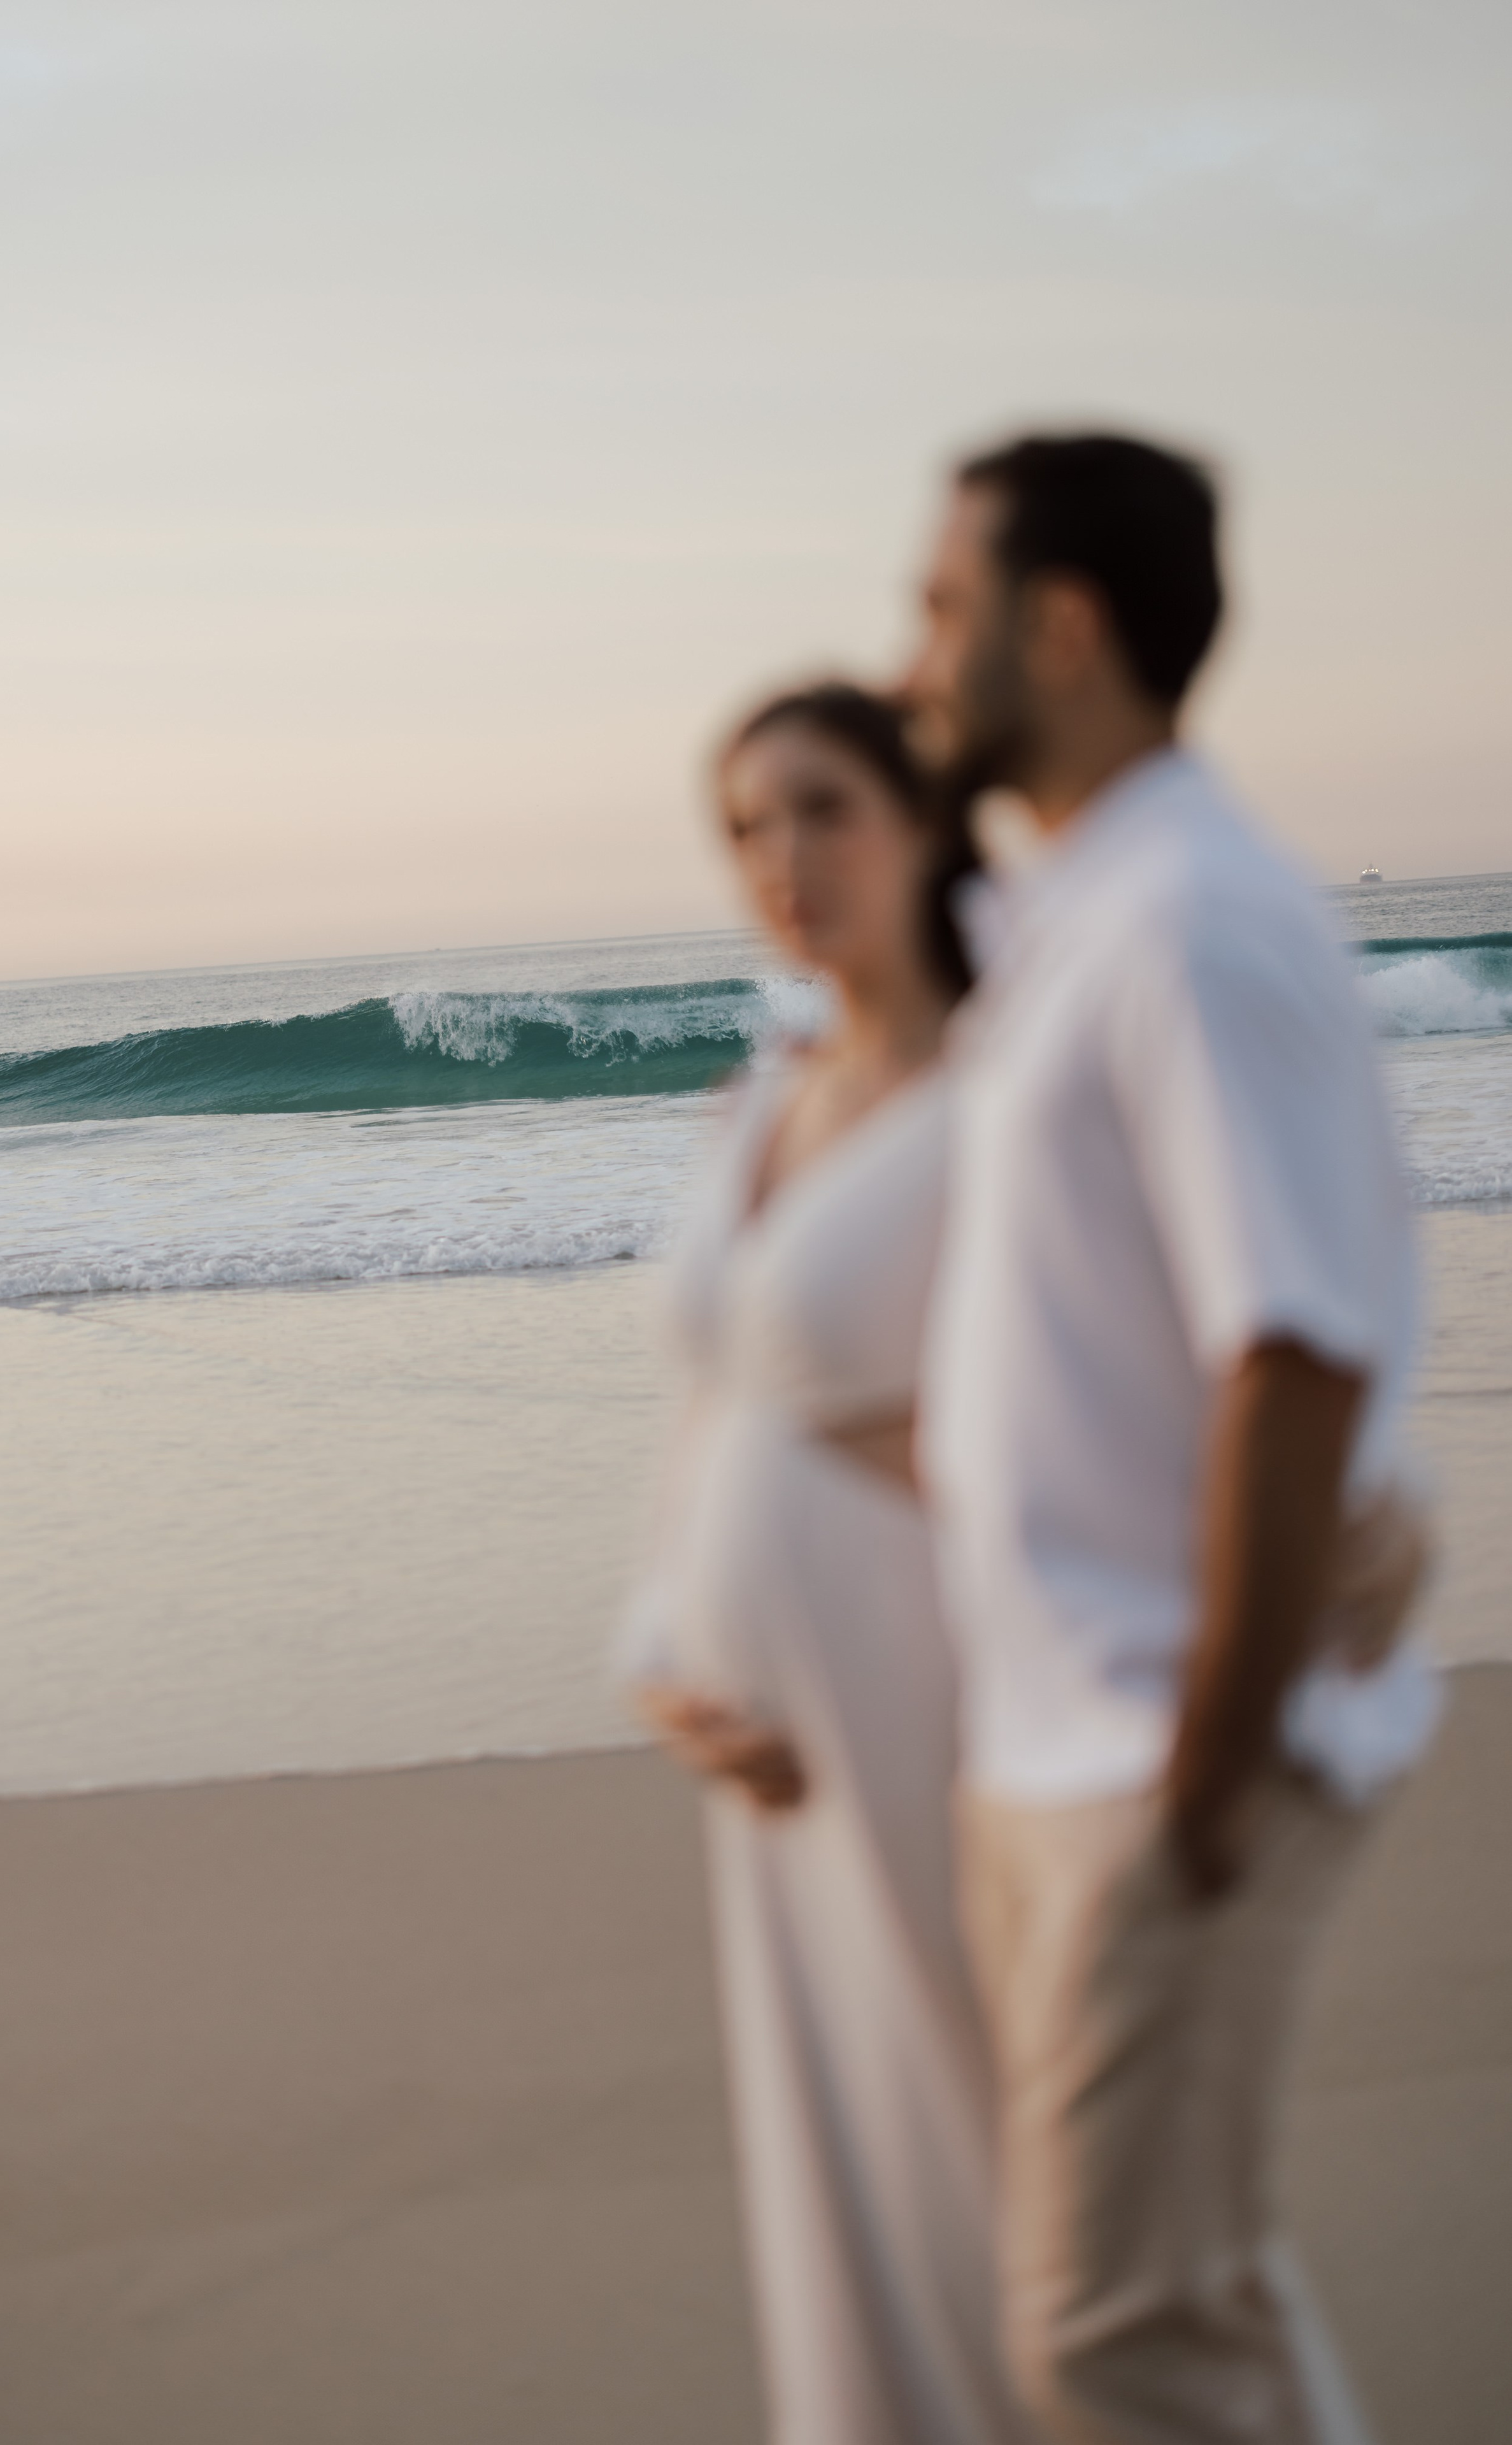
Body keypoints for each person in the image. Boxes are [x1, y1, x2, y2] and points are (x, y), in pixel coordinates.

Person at [904, 433, 1441, 2445]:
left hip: (1159, 1749)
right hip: (1061, 1741)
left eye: (943, 606)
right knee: (1180, 2314)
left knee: (1122, 2338)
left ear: (1067, 625)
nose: (915, 658)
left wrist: (1208, 1760)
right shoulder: (1084, 914)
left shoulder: (1197, 923)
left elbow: (1290, 1348)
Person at [618, 684, 1039, 2445]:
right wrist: (665, 1655)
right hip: (759, 1738)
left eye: (823, 808)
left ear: (925, 820)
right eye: (745, 825)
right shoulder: (759, 1096)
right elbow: (712, 1408)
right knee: (839, 2165)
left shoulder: (1016, 1088)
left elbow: (1099, 1416)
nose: (783, 858)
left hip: (939, 1694)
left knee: (1005, 2181)